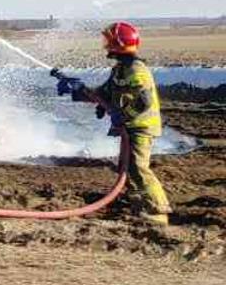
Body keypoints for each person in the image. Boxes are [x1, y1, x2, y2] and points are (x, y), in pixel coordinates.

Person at [58, 22, 170, 225]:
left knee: (137, 167)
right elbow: (103, 94)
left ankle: (158, 210)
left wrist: (122, 114)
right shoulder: (120, 69)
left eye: (109, 42)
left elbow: (144, 101)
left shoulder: (137, 70)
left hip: (141, 127)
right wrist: (77, 90)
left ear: (118, 44)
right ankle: (138, 206)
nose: (106, 46)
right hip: (130, 125)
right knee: (125, 167)